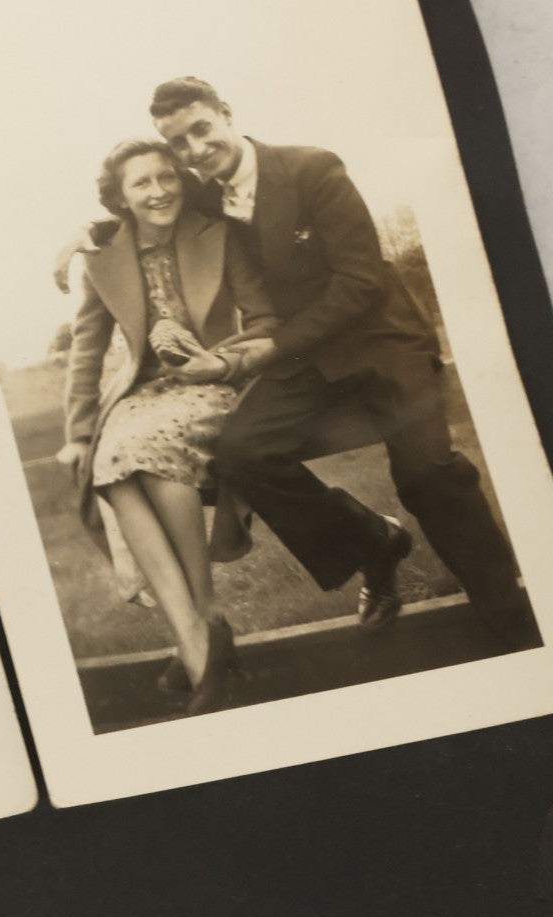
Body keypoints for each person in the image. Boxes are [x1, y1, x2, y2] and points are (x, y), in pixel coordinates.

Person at [62, 77, 536, 649]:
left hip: (381, 343)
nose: (194, 150)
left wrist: (276, 346)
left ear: (226, 115)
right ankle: (373, 544)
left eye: (201, 130)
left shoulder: (312, 168)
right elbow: (144, 214)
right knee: (243, 452)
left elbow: (360, 281)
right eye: (179, 143)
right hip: (303, 361)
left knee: (427, 476)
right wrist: (87, 235)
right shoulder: (204, 193)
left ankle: (512, 624)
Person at [59, 139, 280, 713]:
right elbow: (87, 352)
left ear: (182, 180)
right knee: (109, 460)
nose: (158, 191)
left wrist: (222, 361)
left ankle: (204, 623)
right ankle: (196, 635)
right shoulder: (102, 256)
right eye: (142, 183)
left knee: (145, 451)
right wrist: (79, 433)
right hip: (141, 394)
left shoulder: (218, 233)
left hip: (212, 383)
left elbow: (263, 322)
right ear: (121, 198)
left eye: (167, 177)